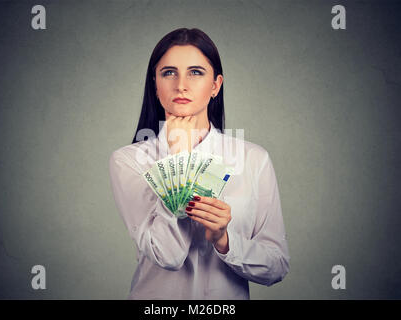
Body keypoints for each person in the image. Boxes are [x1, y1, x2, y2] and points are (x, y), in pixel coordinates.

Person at [109, 28, 290, 300]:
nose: (181, 84)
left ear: (216, 85)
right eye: (169, 72)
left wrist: (224, 241)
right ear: (155, 84)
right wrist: (179, 158)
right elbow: (167, 255)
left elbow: (275, 266)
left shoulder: (254, 159)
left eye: (195, 72)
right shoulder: (130, 160)